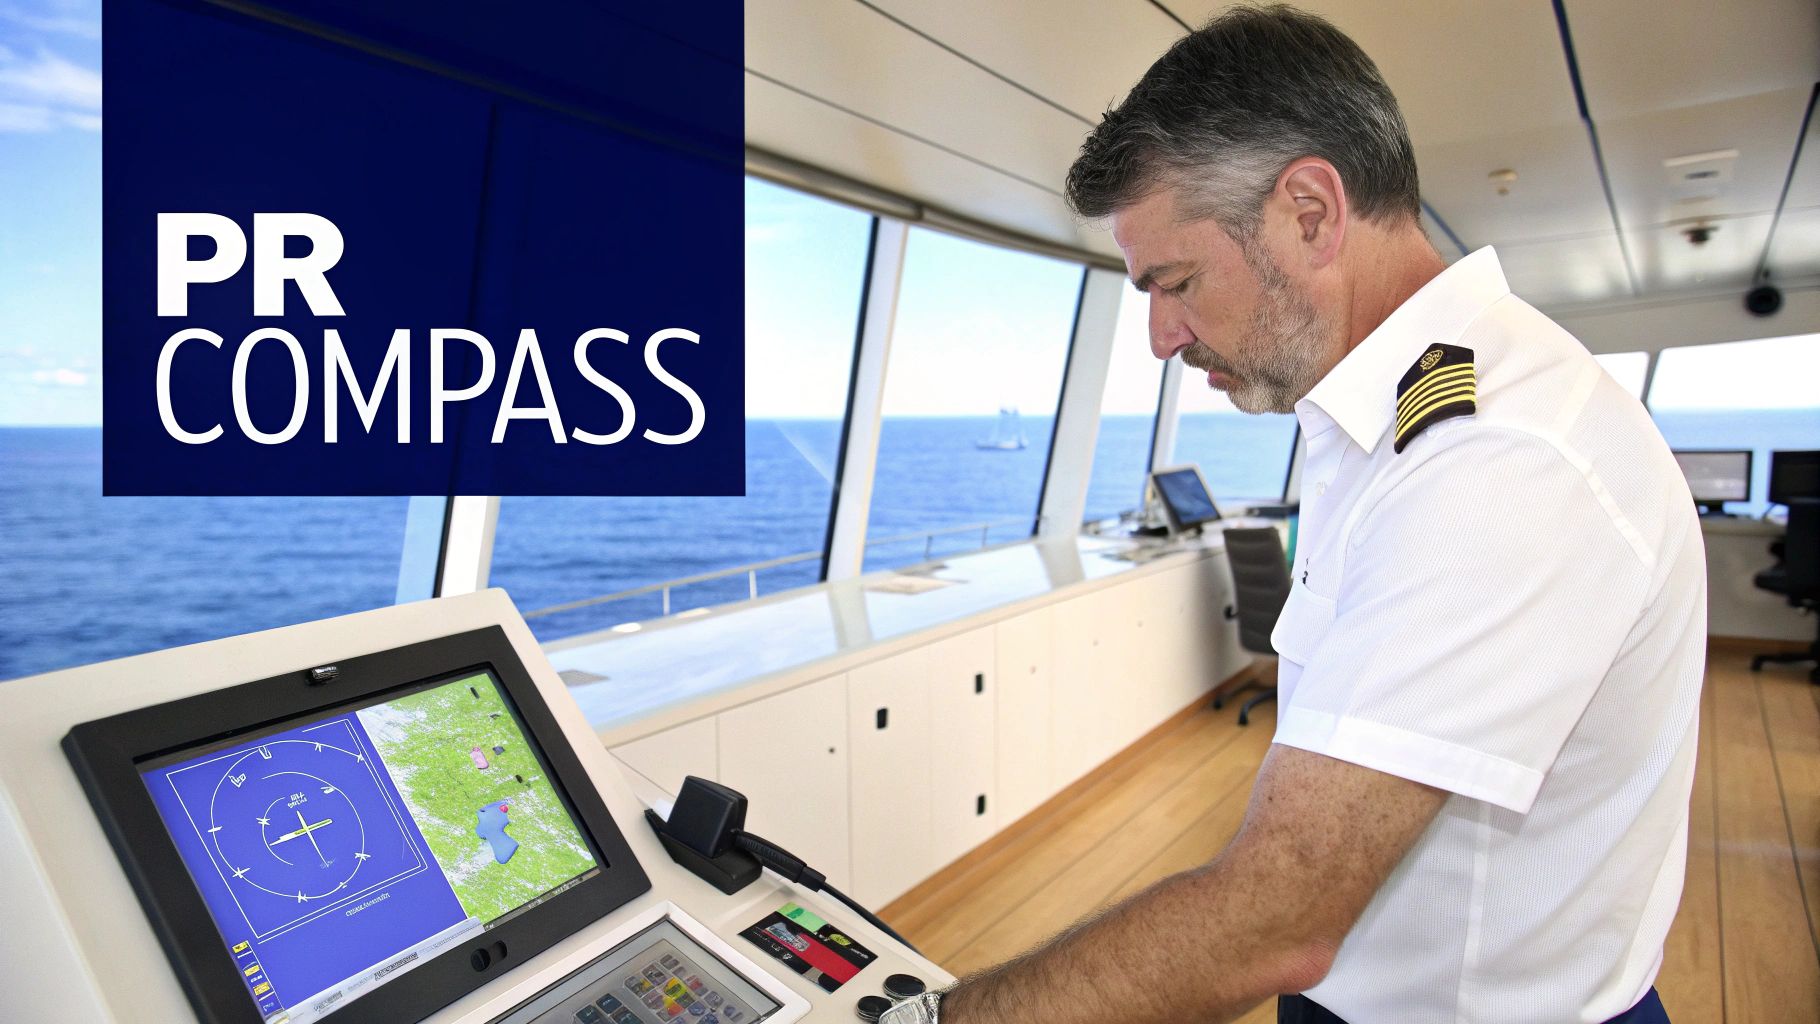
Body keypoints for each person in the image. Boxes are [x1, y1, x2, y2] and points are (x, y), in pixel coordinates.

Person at [881, 6, 1704, 1024]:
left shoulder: (1501, 457)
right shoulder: (1382, 422)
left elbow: (1277, 917)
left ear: (1310, 212)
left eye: (1175, 282)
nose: (1159, 337)